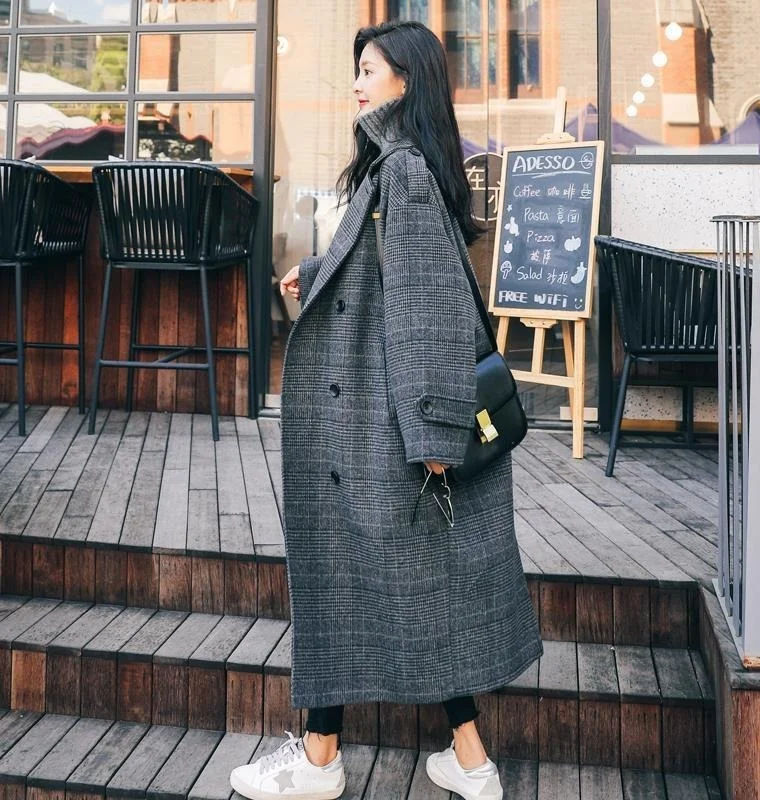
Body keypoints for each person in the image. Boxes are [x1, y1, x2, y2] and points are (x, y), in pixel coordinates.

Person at [230, 20, 542, 800]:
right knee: (409, 585)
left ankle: (320, 760)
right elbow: (385, 278)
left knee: (358, 580)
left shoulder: (401, 170)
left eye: (369, 70)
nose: (357, 83)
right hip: (380, 414)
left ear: (407, 79)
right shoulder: (397, 167)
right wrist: (317, 273)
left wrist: (435, 434)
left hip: (383, 423)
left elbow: (427, 309)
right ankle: (469, 761)